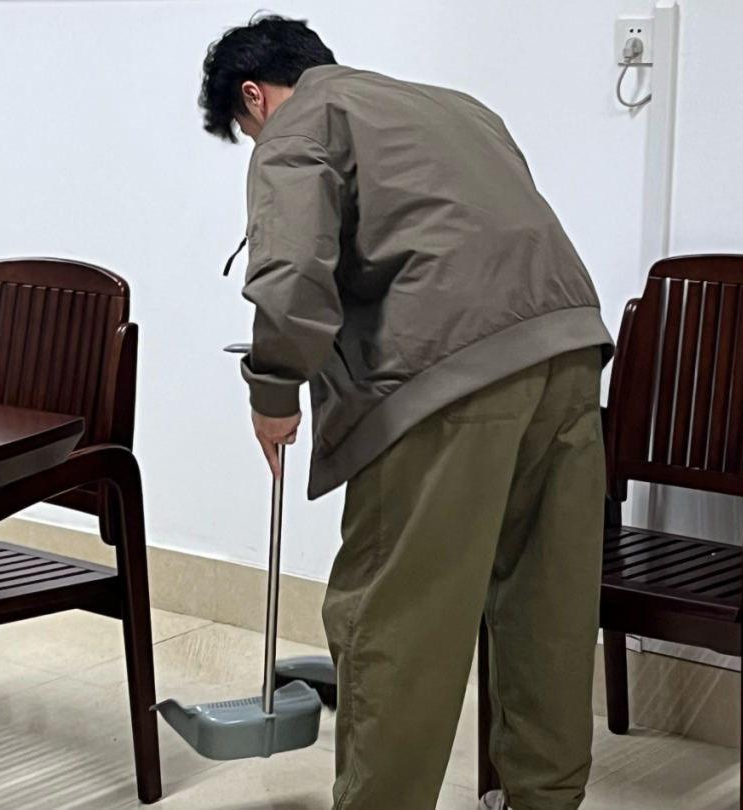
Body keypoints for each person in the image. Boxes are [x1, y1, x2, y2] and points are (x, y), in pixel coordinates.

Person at [199, 15, 613, 810]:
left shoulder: (302, 123)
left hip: (447, 382)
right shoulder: (458, 108)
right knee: (547, 607)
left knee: (398, 621)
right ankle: (543, 801)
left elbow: (291, 269)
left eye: (248, 132)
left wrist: (273, 392)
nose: (257, 144)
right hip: (568, 356)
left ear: (254, 96)